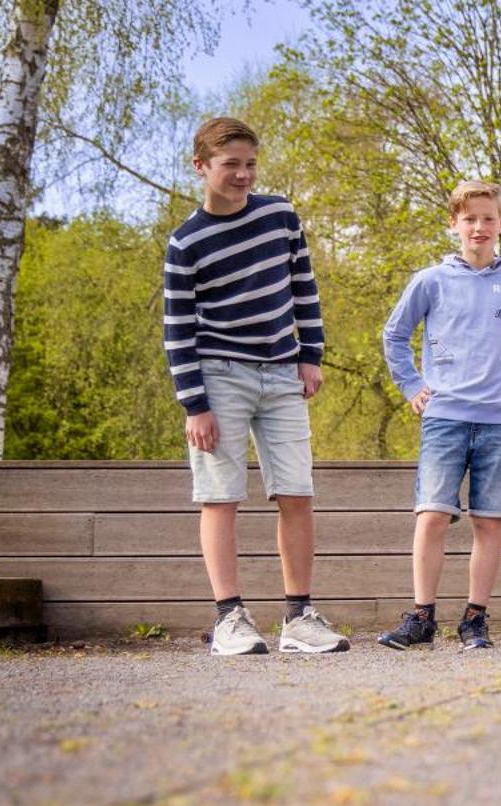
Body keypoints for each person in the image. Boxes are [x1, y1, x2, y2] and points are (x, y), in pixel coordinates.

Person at [163, 116, 347, 656]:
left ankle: (298, 619)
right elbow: (178, 329)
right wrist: (194, 404)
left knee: (297, 492)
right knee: (220, 496)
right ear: (201, 167)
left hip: (283, 372)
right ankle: (230, 619)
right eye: (230, 165)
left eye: (250, 165)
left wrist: (311, 353)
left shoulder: (280, 215)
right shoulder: (185, 244)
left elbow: (303, 285)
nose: (243, 175)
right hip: (219, 377)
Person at [377, 180, 501, 651]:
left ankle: (475, 619)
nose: (479, 227)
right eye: (470, 218)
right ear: (454, 223)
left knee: (489, 521)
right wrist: (411, 385)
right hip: (445, 417)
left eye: (488, 218)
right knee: (432, 515)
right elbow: (395, 334)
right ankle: (421, 617)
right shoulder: (431, 281)